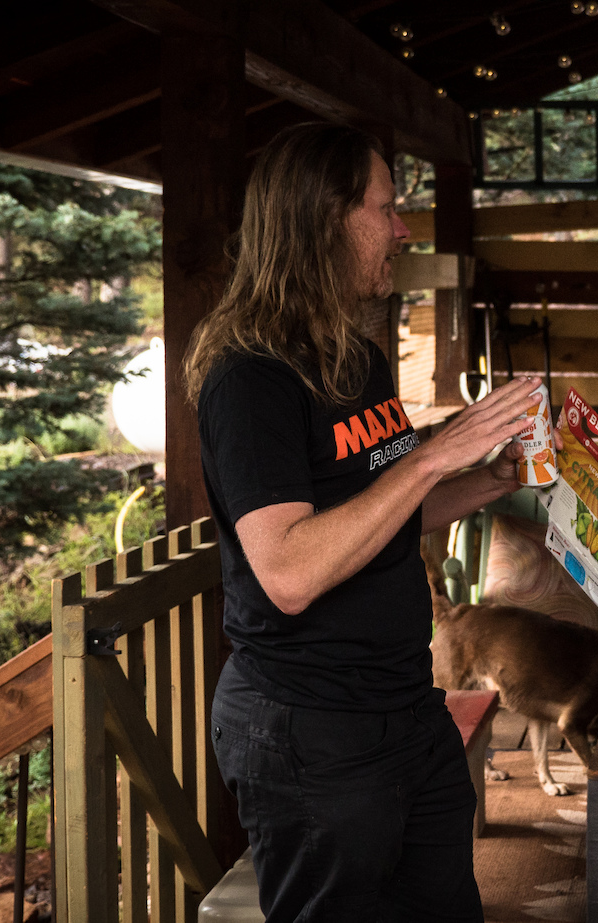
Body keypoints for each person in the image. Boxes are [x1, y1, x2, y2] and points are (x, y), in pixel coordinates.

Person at [185, 123, 546, 923]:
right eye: (387, 209)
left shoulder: (355, 354)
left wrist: (488, 477)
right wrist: (431, 453)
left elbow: (379, 514)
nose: (403, 229)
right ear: (324, 221)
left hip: (400, 704)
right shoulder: (250, 378)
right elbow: (287, 570)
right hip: (310, 725)